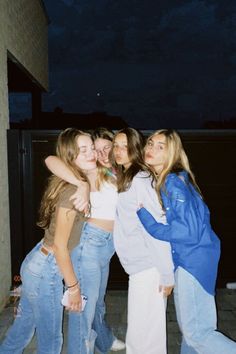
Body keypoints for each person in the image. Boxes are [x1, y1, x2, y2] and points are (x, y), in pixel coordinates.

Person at [136, 129, 236, 354]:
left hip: (192, 260)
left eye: (160, 146)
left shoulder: (172, 182)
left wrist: (147, 220)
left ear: (171, 153)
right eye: (150, 143)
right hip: (199, 257)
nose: (151, 148)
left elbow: (188, 231)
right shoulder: (177, 178)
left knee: (198, 333)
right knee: (192, 331)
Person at [0, 128, 87, 353]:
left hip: (37, 263)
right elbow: (60, 247)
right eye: (83, 150)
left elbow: (51, 159)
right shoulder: (72, 192)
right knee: (51, 341)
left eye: (91, 148)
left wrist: (85, 185)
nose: (92, 154)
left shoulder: (76, 182)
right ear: (70, 156)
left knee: (24, 327)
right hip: (46, 269)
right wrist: (74, 288)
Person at [45, 128, 125, 354]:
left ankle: (103, 341)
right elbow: (50, 159)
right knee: (83, 309)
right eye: (93, 149)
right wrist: (81, 185)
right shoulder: (85, 173)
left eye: (104, 148)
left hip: (108, 245)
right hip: (90, 243)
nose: (98, 153)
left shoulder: (115, 172)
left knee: (97, 302)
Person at [112, 127, 174, 354]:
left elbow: (158, 227)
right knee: (142, 330)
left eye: (125, 146)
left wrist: (167, 273)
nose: (119, 151)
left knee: (146, 334)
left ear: (136, 148)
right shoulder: (127, 176)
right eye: (116, 146)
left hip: (150, 266)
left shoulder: (142, 179)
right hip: (139, 266)